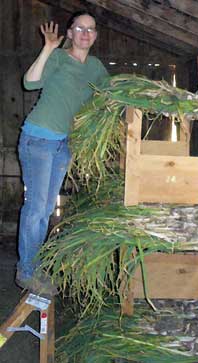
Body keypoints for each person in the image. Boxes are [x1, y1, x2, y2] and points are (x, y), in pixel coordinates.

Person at [16, 11, 109, 295]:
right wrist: (47, 49)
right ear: (69, 33)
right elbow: (30, 83)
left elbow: (110, 95)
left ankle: (34, 265)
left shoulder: (95, 67)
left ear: (95, 35)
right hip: (38, 139)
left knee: (44, 209)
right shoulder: (57, 57)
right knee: (37, 209)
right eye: (79, 28)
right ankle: (26, 271)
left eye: (90, 29)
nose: (85, 33)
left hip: (64, 144)